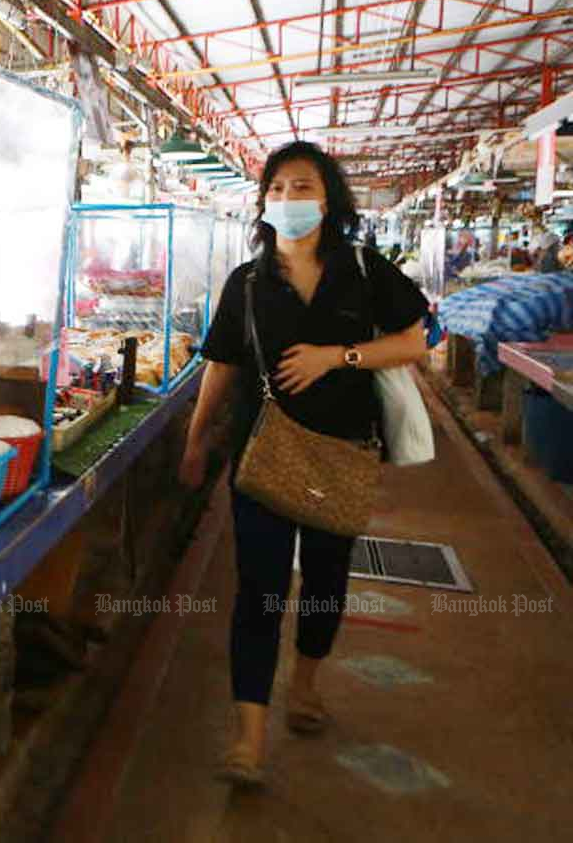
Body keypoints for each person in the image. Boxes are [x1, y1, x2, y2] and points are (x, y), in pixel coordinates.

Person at [177, 141, 428, 788]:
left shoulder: (366, 273)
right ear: (264, 202)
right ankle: (250, 735)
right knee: (258, 591)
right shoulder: (248, 283)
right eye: (279, 188)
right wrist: (197, 439)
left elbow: (416, 338)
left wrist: (336, 356)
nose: (290, 199)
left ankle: (308, 681)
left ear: (329, 198)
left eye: (303, 186)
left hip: (343, 452)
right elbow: (221, 365)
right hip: (261, 455)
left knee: (324, 582)